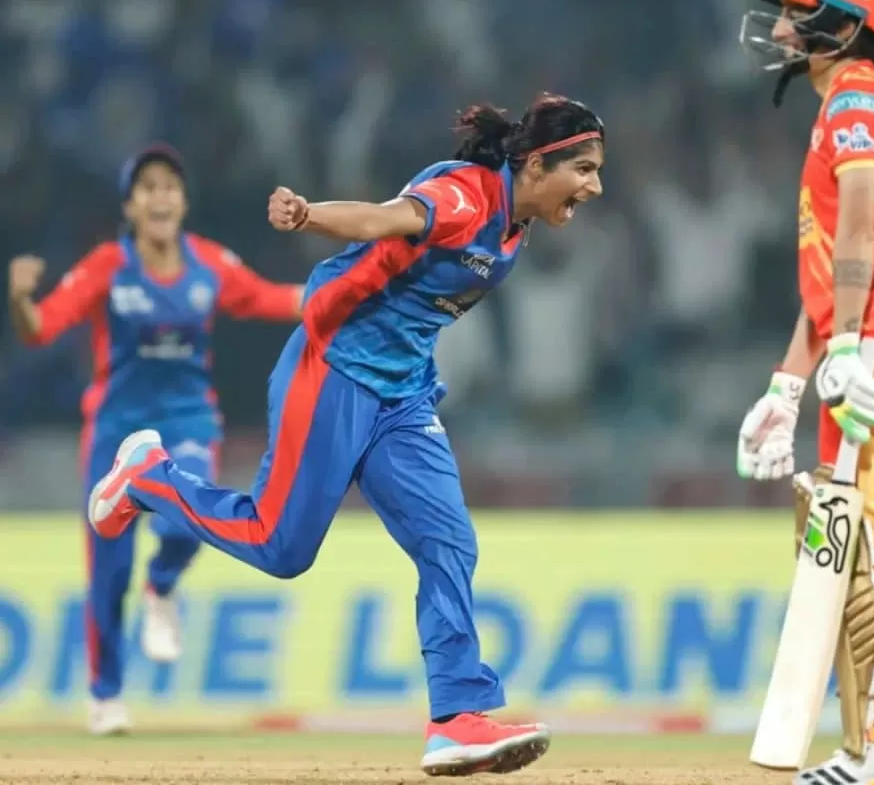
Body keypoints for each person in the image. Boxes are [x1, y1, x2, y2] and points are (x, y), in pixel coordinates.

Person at [85, 94, 604, 776]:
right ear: (537, 164)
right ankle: (148, 477)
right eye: (585, 169)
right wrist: (310, 215)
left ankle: (455, 719)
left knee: (449, 543)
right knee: (279, 548)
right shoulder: (465, 198)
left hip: (404, 393)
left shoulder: (513, 224)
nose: (595, 187)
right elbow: (384, 218)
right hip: (333, 370)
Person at [736, 0, 874, 785]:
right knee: (868, 542)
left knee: (867, 545)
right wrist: (785, 390)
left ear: (843, 23)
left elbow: (861, 232)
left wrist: (850, 347)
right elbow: (831, 272)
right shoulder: (857, 97)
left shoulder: (857, 97)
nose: (781, 25)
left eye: (797, 10)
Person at [7, 144, 303, 735]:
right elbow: (41, 329)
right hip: (115, 431)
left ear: (184, 202)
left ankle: (161, 585)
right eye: (148, 188)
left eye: (170, 186)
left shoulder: (209, 264)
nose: (160, 197)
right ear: (130, 206)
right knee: (108, 570)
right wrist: (18, 298)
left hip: (188, 423)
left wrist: (350, 289)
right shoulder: (106, 267)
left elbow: (272, 298)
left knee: (185, 524)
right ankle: (105, 695)